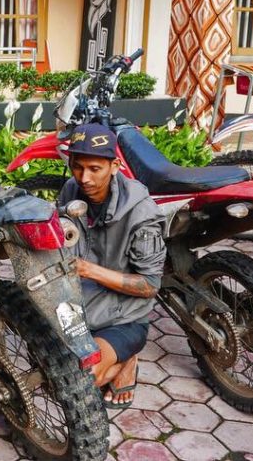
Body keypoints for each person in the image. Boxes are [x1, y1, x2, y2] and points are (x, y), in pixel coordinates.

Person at [57, 123, 166, 407]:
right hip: (79, 309)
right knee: (52, 373)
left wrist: (87, 269)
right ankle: (117, 362)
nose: (85, 178)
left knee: (84, 381)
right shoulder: (71, 190)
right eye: (77, 167)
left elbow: (150, 286)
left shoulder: (141, 214)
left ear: (114, 165)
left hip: (123, 318)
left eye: (95, 169)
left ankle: (128, 361)